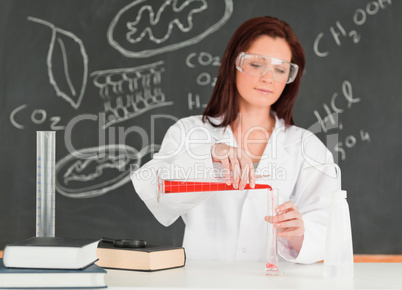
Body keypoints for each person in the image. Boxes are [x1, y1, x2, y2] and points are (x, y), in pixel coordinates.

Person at [131, 16, 340, 264]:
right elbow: (154, 189)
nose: (268, 78)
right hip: (203, 280)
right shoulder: (189, 132)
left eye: (281, 69)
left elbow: (329, 229)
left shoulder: (307, 147)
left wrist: (299, 233)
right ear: (234, 63)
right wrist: (209, 154)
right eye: (256, 64)